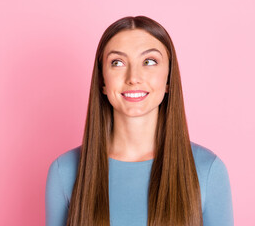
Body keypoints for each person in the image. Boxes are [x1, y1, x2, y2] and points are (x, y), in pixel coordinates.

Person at [45, 15, 234, 226]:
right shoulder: (64, 171)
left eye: (149, 61)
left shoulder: (208, 170)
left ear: (169, 79)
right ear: (102, 81)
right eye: (117, 63)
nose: (133, 77)